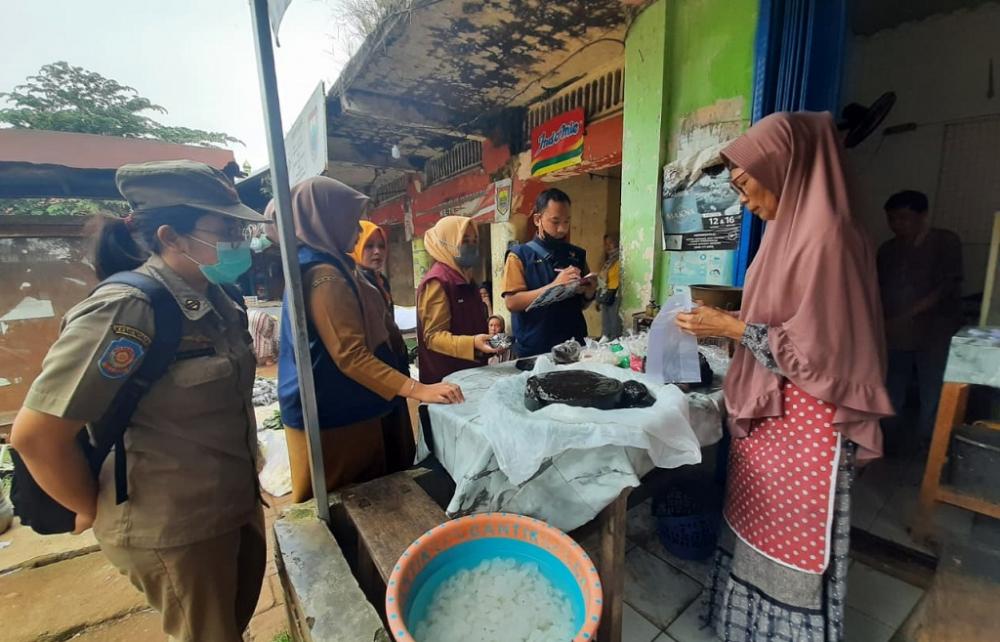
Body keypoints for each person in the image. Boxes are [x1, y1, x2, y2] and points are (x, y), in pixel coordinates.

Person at [11, 160, 269, 641]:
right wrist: (89, 506)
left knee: (231, 625)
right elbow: (37, 435)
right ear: (171, 236)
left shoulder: (219, 297)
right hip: (175, 526)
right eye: (226, 227)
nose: (240, 238)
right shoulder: (128, 309)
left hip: (229, 504)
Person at [675, 112, 894, 642]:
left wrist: (728, 323)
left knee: (794, 536)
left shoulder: (831, 239)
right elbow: (776, 324)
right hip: (775, 420)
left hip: (809, 423)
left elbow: (818, 352)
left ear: (784, 168)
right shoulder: (783, 235)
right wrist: (726, 331)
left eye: (746, 185)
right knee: (755, 519)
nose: (744, 200)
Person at [277, 177, 463, 502]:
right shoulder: (325, 277)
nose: (357, 229)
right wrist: (417, 390)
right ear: (326, 219)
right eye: (350, 220)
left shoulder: (331, 265)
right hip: (337, 415)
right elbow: (350, 355)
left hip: (346, 406)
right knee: (354, 503)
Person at [877, 190, 963, 446]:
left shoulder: (945, 242)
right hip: (895, 335)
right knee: (892, 389)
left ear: (923, 216)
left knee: (932, 392)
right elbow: (877, 289)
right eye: (892, 219)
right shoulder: (888, 250)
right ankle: (888, 444)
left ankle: (930, 448)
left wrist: (906, 315)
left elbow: (945, 288)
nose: (897, 224)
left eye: (904, 218)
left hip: (934, 333)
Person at [502, 188, 597, 357]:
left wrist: (589, 293)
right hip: (536, 350)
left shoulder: (577, 255)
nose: (562, 229)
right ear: (538, 219)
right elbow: (512, 302)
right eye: (555, 221)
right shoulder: (519, 255)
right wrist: (554, 286)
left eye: (567, 221)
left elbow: (580, 304)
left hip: (573, 346)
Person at [416, 216, 498, 384]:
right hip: (446, 380)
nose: (472, 247)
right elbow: (434, 337)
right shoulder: (438, 281)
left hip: (470, 373)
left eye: (475, 241)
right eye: (465, 241)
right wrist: (472, 343)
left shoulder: (466, 278)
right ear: (447, 243)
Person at [351, 220, 394, 309]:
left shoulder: (382, 281)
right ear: (356, 246)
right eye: (369, 246)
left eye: (381, 246)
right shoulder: (353, 283)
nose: (377, 252)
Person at [596, 233, 622, 340]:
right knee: (606, 325)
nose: (607, 247)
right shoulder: (609, 261)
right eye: (606, 244)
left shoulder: (620, 260)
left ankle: (614, 344)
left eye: (610, 243)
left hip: (614, 295)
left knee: (614, 324)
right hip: (605, 294)